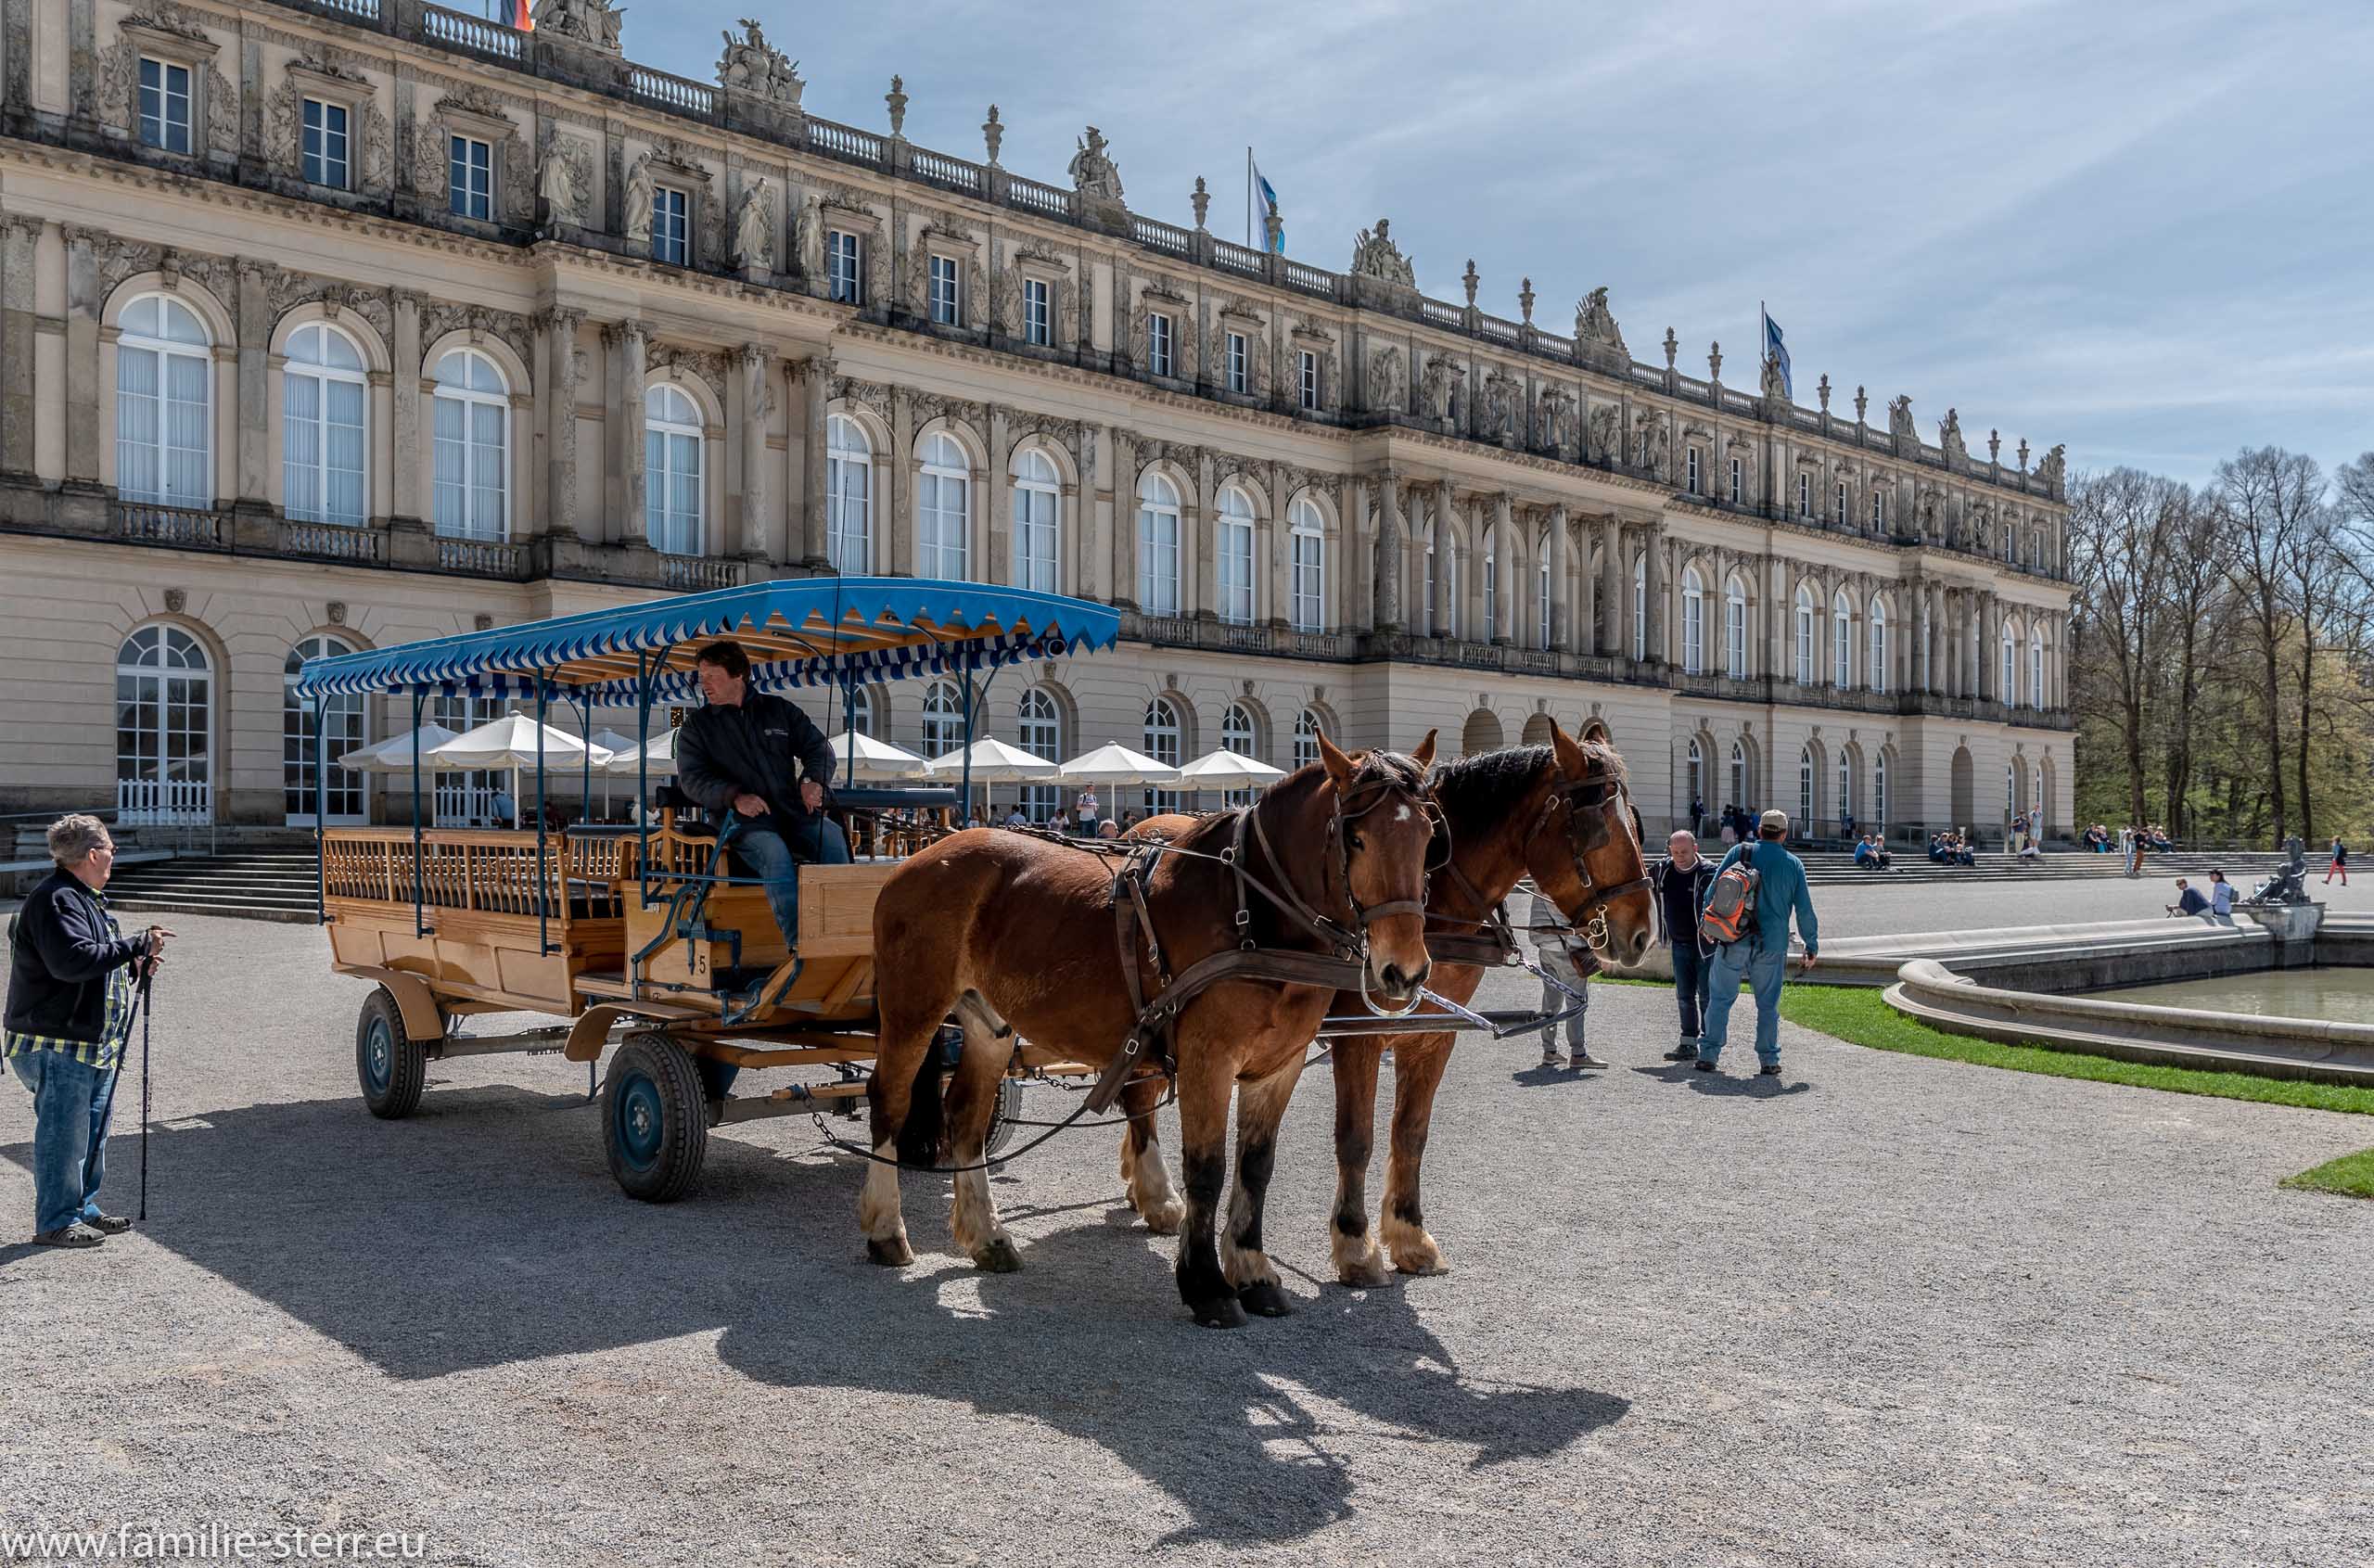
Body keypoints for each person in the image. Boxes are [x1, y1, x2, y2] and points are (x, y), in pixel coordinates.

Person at [4, 815, 173, 1246]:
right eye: (112, 849)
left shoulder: (82, 898)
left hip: (89, 1042)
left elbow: (93, 958)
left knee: (93, 1130)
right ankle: (56, 1220)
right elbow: (72, 962)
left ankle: (82, 1208)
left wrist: (133, 965)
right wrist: (135, 944)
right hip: (58, 1042)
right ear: (93, 854)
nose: (114, 856)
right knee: (65, 1134)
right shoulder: (56, 899)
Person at [673, 639, 852, 956]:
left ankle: (842, 930)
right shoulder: (696, 728)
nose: (705, 685)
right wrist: (735, 797)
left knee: (833, 838)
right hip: (741, 823)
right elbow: (693, 780)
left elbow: (818, 748)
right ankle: (799, 944)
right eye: (702, 677)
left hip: (791, 813)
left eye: (712, 676)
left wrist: (812, 780)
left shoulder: (779, 710)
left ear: (738, 675)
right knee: (774, 853)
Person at [1694, 809, 1819, 1077]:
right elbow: (1804, 910)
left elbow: (1712, 890)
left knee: (1719, 1000)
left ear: (1760, 830)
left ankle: (1708, 1054)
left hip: (1732, 937)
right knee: (1768, 1005)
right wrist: (1811, 944)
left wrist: (1707, 924)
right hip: (1771, 944)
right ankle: (1768, 1059)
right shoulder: (1793, 864)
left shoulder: (1740, 852)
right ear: (1784, 834)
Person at [1652, 831, 1718, 1062]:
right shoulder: (1663, 870)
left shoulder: (1709, 872)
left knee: (1707, 996)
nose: (1679, 856)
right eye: (1675, 852)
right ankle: (1688, 1043)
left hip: (1705, 945)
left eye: (1684, 852)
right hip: (1679, 943)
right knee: (1684, 996)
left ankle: (1709, 1045)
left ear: (1695, 849)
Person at [1521, 887, 1603, 1068]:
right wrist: (1587, 939)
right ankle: (1578, 1053)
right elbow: (1564, 921)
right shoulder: (1558, 885)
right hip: (1566, 949)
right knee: (1577, 1002)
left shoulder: (1540, 883)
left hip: (1546, 947)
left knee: (1551, 1002)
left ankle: (1549, 1051)